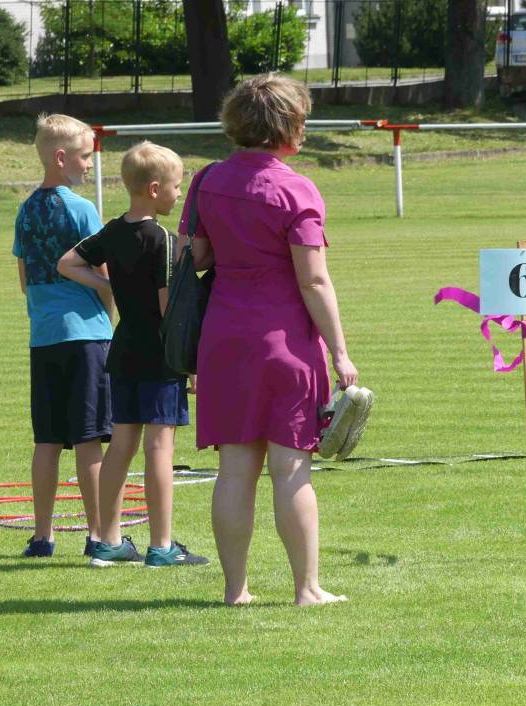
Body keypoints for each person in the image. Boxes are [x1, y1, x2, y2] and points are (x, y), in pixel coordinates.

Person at [178, 74, 370, 606]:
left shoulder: (207, 180)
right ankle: (307, 588)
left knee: (234, 470)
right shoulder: (297, 189)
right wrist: (340, 352)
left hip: (223, 338)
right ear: (285, 126)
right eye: (301, 120)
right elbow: (314, 280)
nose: (304, 130)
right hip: (284, 343)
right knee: (290, 469)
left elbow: (194, 256)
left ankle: (234, 590)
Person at [58, 142, 209, 568]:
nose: (178, 195)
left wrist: (111, 286)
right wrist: (192, 364)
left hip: (122, 351)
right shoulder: (163, 240)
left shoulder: (112, 231)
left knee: (121, 446)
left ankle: (107, 541)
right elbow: (168, 310)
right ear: (155, 188)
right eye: (176, 187)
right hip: (160, 356)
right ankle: (161, 546)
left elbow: (67, 263)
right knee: (160, 448)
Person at [12, 114, 113, 557]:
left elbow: (24, 279)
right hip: (87, 336)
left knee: (48, 440)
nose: (89, 164)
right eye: (85, 156)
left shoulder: (25, 210)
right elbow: (104, 273)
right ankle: (98, 535)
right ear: (60, 157)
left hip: (44, 336)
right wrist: (108, 314)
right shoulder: (82, 209)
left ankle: (42, 536)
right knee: (89, 439)